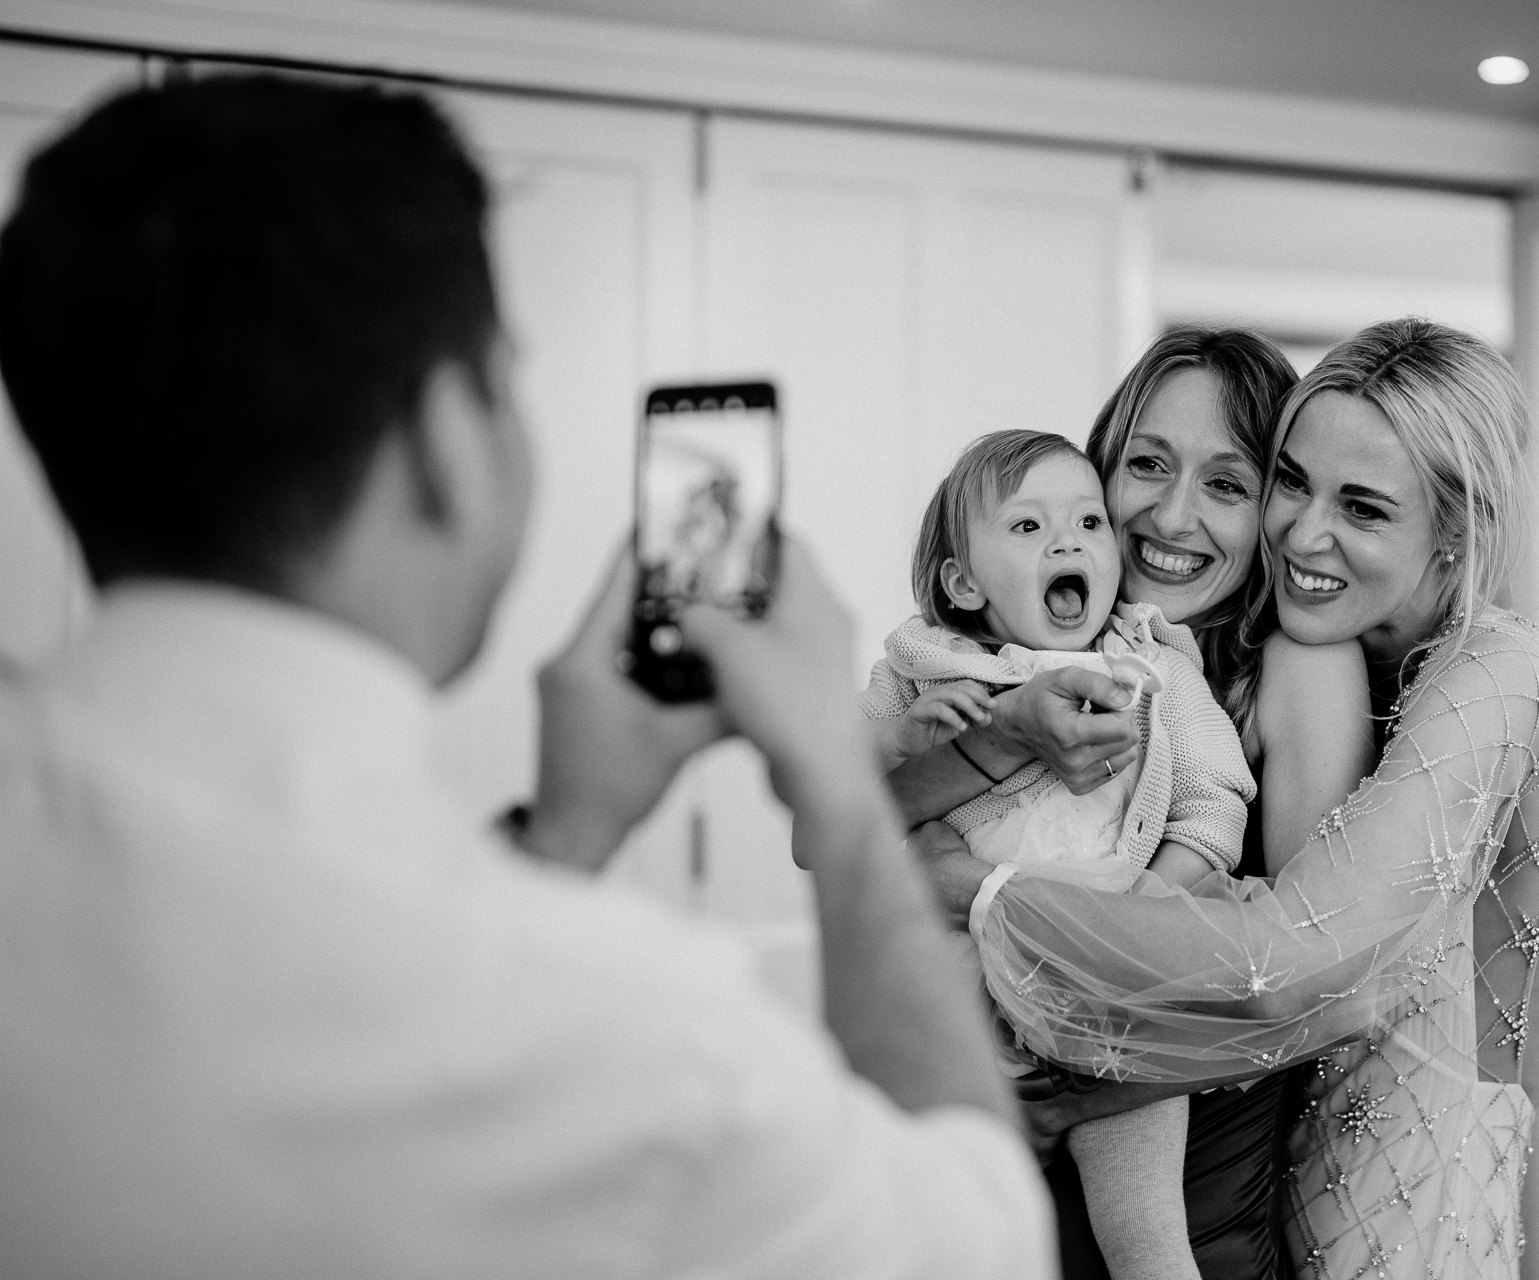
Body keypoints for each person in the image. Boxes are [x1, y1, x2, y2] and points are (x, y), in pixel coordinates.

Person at [0, 74, 1050, 1278]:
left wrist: (566, 833)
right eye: (510, 376)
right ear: (449, 435)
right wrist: (844, 796)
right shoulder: (647, 1037)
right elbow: (980, 1243)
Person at [936, 319, 1539, 1278]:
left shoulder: (1493, 680)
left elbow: (1295, 970)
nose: (1303, 530)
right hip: (1281, 1199)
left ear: (1457, 533)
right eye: (1293, 483)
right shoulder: (1330, 656)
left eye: (1364, 507)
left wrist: (971, 886)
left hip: (1401, 1231)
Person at [887, 328, 1372, 1278]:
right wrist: (992, 741)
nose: (1173, 515)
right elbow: (852, 830)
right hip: (1007, 1123)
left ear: (1271, 511)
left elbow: (1303, 976)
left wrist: (976, 891)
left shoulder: (1296, 668)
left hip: (1173, 1158)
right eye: (1147, 464)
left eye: (1227, 484)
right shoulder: (1001, 643)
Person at [861, 428, 1264, 1280]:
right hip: (957, 996)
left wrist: (1134, 923)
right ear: (961, 580)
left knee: (1148, 1244)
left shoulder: (1153, 670)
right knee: (943, 1231)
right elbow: (834, 798)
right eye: (1028, 528)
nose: (1069, 542)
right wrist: (900, 744)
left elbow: (1215, 804)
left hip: (1116, 995)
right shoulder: (924, 669)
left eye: (1087, 522)